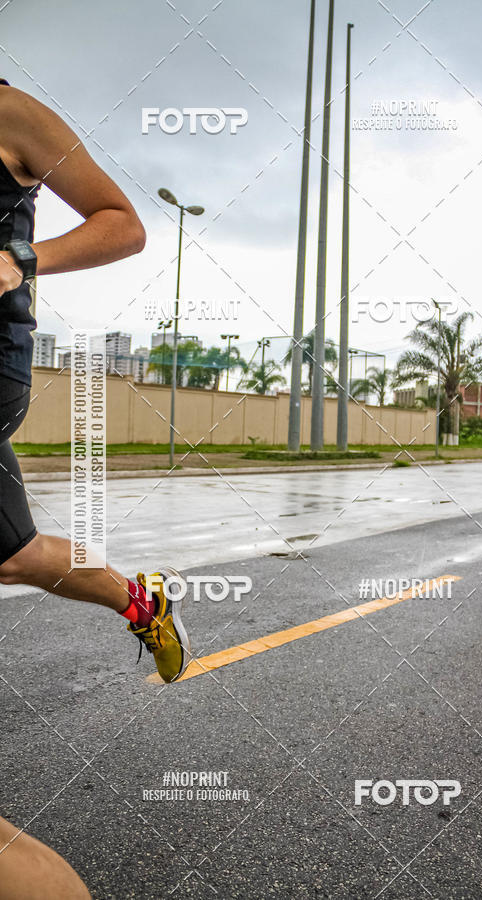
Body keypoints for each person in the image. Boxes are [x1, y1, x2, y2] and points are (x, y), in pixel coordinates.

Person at [0, 77, 193, 896]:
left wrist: (19, 258)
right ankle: (139, 601)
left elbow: (125, 224)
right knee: (12, 555)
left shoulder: (11, 112)